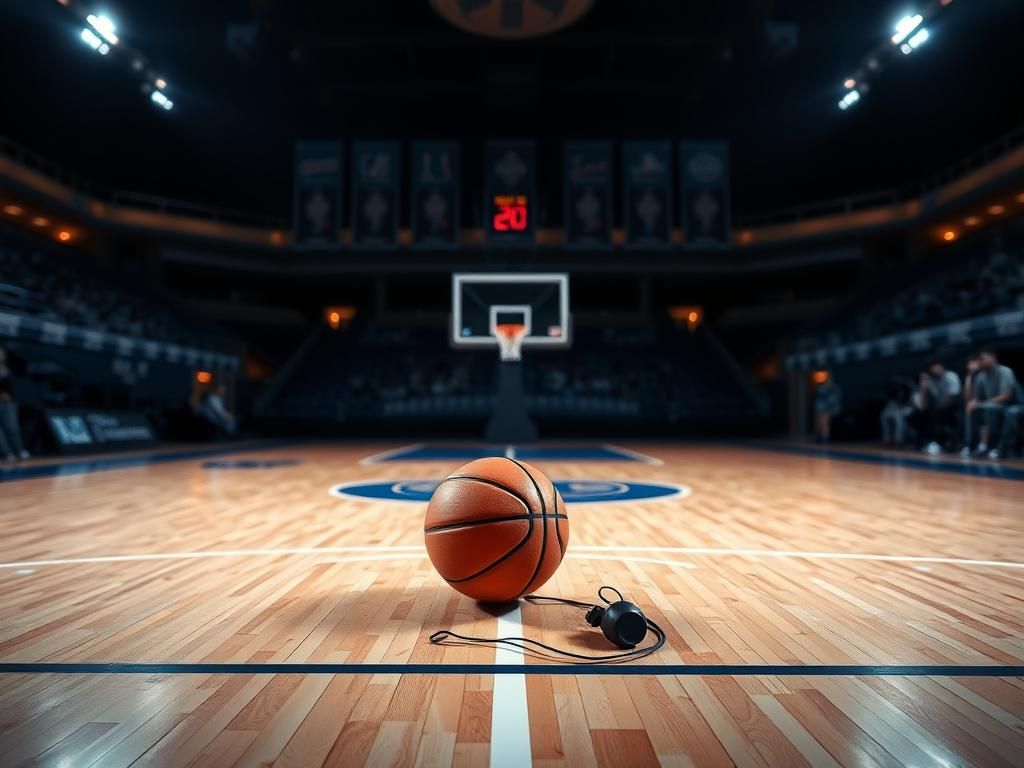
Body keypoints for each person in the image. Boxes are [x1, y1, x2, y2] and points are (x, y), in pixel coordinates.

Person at [963, 347, 1019, 460]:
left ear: (993, 357)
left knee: (1008, 412)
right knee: (972, 408)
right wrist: (970, 374)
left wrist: (981, 404)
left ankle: (1001, 449)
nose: (980, 362)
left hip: (1013, 405)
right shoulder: (981, 375)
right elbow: (971, 398)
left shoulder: (1005, 371)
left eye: (982, 359)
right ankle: (973, 446)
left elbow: (1005, 397)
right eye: (979, 360)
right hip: (993, 406)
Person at [918, 360, 961, 455]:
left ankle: (937, 442)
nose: (936, 369)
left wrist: (937, 406)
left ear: (942, 366)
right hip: (937, 407)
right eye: (933, 368)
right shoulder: (930, 380)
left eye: (937, 366)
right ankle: (928, 442)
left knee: (938, 411)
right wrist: (923, 385)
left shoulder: (951, 376)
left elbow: (952, 396)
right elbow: (922, 404)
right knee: (920, 413)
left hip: (954, 404)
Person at [0, 346, 30, 461]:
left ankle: (19, 450)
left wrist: (8, 395)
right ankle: (7, 453)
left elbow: (15, 387)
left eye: (1, 353)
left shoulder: (10, 369)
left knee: (12, 427)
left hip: (8, 403)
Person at [880, 375, 914, 447]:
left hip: (908, 410)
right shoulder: (893, 393)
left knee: (898, 417)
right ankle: (887, 440)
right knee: (884, 415)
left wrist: (901, 408)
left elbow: (911, 404)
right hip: (895, 410)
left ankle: (898, 440)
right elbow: (891, 404)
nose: (898, 387)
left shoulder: (908, 391)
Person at [813, 372, 842, 443]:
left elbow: (834, 401)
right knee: (819, 421)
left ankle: (825, 437)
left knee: (824, 421)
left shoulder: (834, 388)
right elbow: (819, 400)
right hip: (821, 409)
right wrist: (819, 409)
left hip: (830, 409)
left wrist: (826, 409)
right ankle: (819, 436)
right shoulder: (821, 388)